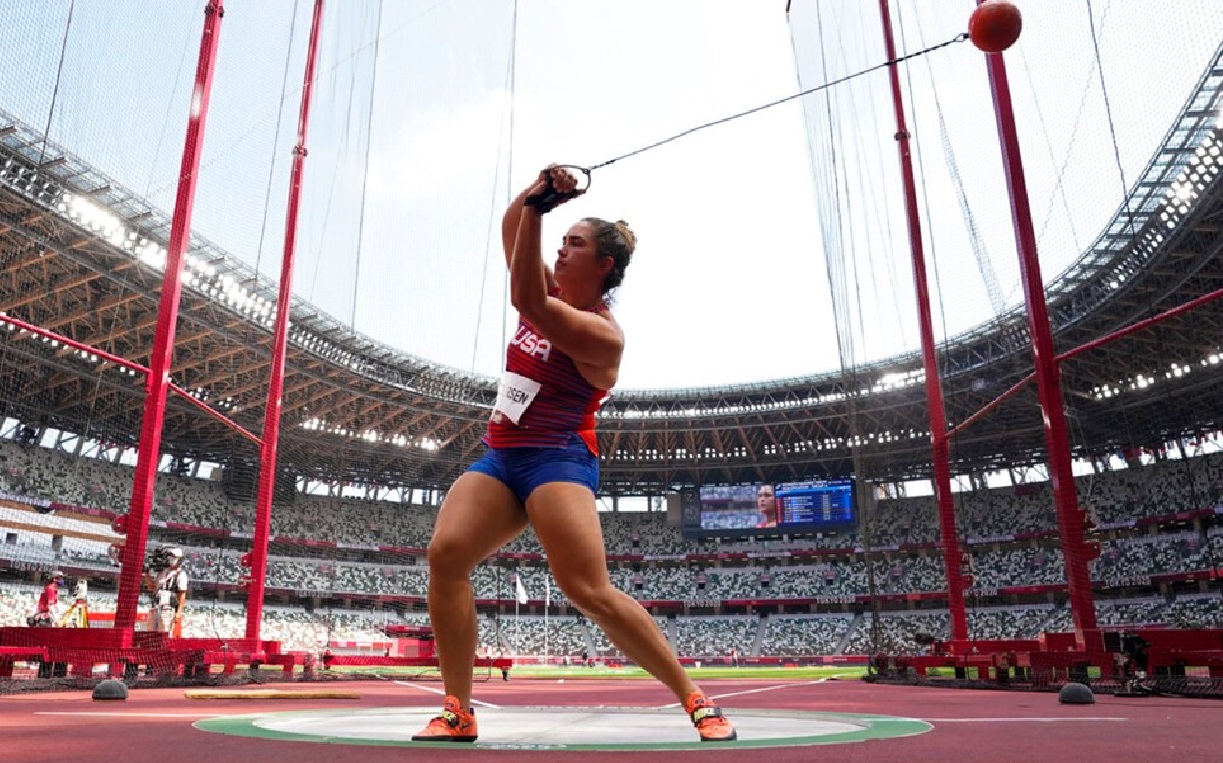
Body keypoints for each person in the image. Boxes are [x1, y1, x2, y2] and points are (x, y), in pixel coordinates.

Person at [412, 166, 736, 743]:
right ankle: (457, 708)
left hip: (557, 458)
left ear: (604, 265)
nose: (561, 252)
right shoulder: (550, 290)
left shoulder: (600, 333)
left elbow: (525, 295)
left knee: (587, 589)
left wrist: (540, 209)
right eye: (560, 243)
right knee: (446, 556)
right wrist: (539, 191)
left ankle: (694, 697)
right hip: (500, 456)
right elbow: (513, 225)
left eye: (575, 244)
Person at [144, 545, 188, 634]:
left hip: (168, 608)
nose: (170, 559)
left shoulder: (180, 574)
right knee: (150, 632)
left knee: (164, 632)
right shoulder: (162, 572)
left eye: (173, 557)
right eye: (169, 557)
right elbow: (151, 587)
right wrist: (146, 574)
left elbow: (182, 594)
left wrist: (178, 612)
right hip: (155, 606)